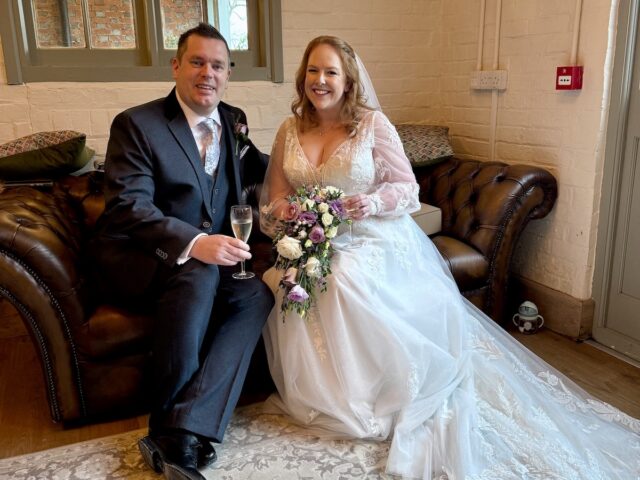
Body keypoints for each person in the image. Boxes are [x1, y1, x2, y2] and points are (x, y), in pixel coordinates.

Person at [259, 35, 640, 479]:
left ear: (348, 81)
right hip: (314, 236)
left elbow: (407, 189)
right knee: (287, 279)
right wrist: (288, 211)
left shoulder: (371, 124)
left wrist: (373, 203)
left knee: (342, 278)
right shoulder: (291, 129)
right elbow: (277, 195)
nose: (319, 81)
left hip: (369, 234)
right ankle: (327, 394)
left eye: (330, 72)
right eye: (312, 71)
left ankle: (377, 394)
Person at [90, 23, 274, 480]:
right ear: (176, 66)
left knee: (258, 295)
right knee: (198, 273)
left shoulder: (233, 120)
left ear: (228, 73)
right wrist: (196, 243)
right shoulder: (137, 124)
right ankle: (169, 425)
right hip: (142, 255)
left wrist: (314, 179)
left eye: (217, 65)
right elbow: (128, 207)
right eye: (197, 62)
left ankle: (184, 427)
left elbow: (263, 169)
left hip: (213, 257)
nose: (207, 73)